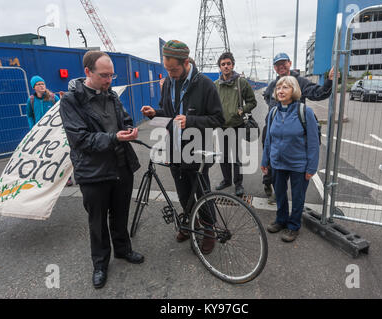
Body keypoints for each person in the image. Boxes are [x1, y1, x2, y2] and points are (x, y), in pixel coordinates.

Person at [60, 51, 144, 289]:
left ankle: (123, 249)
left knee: (121, 213)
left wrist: (130, 129)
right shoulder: (71, 100)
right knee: (97, 222)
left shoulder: (112, 96)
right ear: (87, 72)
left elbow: (125, 119)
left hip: (121, 166)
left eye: (111, 75)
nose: (109, 80)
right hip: (93, 173)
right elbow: (80, 139)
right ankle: (100, 264)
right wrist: (115, 137)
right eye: (104, 75)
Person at [141, 40, 225, 254]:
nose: (170, 74)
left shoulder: (205, 84)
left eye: (174, 69)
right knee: (183, 191)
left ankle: (209, 230)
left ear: (186, 62)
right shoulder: (169, 82)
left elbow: (218, 119)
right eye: (167, 69)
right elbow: (168, 111)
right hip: (174, 148)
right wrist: (155, 113)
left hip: (197, 149)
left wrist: (192, 120)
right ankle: (190, 224)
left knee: (202, 192)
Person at [262, 53, 334, 203]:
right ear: (274, 68)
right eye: (277, 64)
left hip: (293, 133)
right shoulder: (272, 84)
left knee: (293, 168)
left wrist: (329, 81)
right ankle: (270, 185)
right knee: (271, 161)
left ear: (290, 63)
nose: (281, 66)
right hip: (273, 128)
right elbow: (267, 97)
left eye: (284, 63)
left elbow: (318, 93)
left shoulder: (300, 82)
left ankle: (294, 205)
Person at [261, 76, 320, 243]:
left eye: (286, 87)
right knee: (279, 194)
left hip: (298, 164)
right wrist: (265, 161)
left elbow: (314, 143)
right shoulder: (273, 112)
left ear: (294, 91)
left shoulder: (304, 112)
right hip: (278, 163)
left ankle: (293, 226)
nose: (281, 91)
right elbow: (268, 140)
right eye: (279, 88)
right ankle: (281, 220)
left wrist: (311, 168)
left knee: (298, 196)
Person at [213, 52, 257, 197]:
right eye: (223, 64)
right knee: (223, 156)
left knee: (237, 157)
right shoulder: (215, 85)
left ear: (233, 65)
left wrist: (242, 110)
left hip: (237, 126)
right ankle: (226, 180)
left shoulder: (241, 82)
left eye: (228, 64)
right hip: (221, 127)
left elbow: (252, 101)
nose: (226, 66)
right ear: (219, 67)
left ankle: (238, 184)